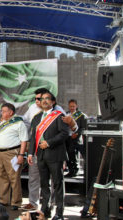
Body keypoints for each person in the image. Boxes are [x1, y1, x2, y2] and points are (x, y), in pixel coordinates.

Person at [28, 91, 69, 220]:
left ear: (53, 102)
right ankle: (45, 210)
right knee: (44, 184)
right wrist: (29, 153)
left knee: (57, 185)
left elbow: (64, 134)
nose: (44, 101)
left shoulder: (58, 116)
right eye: (42, 99)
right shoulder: (36, 117)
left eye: (47, 99)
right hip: (40, 156)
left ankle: (59, 212)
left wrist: (49, 143)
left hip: (55, 155)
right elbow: (33, 137)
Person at [0, 103, 28, 210]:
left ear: (11, 112)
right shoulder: (2, 122)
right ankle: (4, 200)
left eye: (4, 111)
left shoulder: (18, 123)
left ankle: (16, 202)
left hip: (12, 153)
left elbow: (24, 140)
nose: (1, 113)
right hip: (0, 153)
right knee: (1, 176)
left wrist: (21, 155)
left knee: (14, 177)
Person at [21, 88, 45, 210]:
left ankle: (48, 204)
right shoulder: (32, 109)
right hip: (34, 148)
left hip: (50, 150)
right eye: (35, 98)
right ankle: (33, 202)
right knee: (33, 176)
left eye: (39, 98)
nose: (36, 101)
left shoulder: (56, 111)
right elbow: (25, 122)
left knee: (47, 178)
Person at [64, 99, 86, 177]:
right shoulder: (66, 114)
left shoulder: (81, 115)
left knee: (74, 154)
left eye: (73, 106)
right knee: (68, 155)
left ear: (76, 106)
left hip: (76, 138)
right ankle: (70, 170)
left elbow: (83, 128)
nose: (72, 108)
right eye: (70, 106)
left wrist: (77, 133)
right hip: (67, 138)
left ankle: (75, 170)